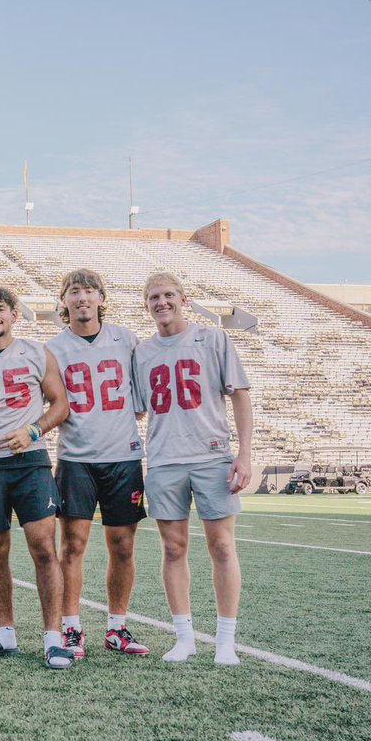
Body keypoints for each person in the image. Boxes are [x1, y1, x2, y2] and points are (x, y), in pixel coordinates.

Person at [0, 285, 73, 669]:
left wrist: (33, 431)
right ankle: (5, 633)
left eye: (0, 309)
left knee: (43, 547)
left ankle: (53, 638)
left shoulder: (37, 352)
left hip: (30, 462)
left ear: (14, 315)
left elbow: (61, 405)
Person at [134, 272, 251, 666]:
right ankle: (184, 637)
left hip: (211, 455)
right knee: (172, 549)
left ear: (183, 298)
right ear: (146, 305)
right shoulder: (142, 351)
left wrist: (245, 453)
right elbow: (136, 409)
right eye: (154, 297)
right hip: (164, 458)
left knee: (221, 546)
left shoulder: (214, 338)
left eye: (168, 295)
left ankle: (225, 640)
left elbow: (240, 395)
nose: (161, 302)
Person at [46, 269, 149, 657]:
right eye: (75, 291)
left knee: (122, 545)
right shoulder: (53, 348)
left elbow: (139, 403)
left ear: (102, 298)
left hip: (123, 456)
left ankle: (116, 628)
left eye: (89, 290)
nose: (82, 297)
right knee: (72, 546)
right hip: (76, 458)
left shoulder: (126, 339)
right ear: (65, 301)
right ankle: (71, 628)